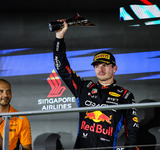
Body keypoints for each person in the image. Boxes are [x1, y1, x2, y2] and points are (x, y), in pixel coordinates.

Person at [53, 20, 139, 150]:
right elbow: (62, 68)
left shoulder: (125, 95)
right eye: (97, 66)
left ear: (114, 68)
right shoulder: (84, 87)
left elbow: (133, 130)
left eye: (105, 65)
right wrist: (59, 38)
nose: (101, 69)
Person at [0, 79, 32, 150]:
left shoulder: (21, 118)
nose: (5, 95)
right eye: (1, 91)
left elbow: (27, 148)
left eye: (8, 91)